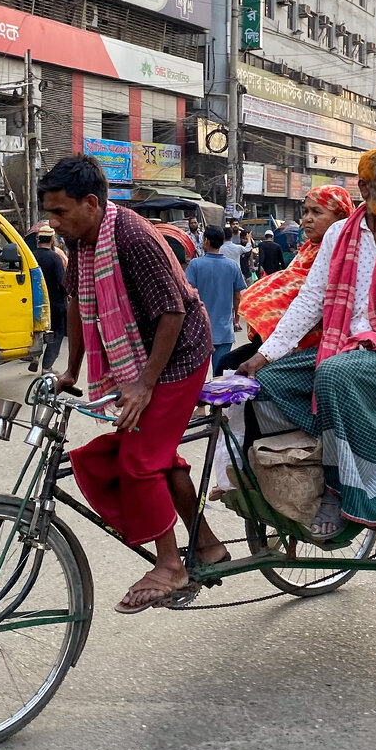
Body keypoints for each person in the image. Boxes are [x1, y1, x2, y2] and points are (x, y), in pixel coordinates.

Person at [39, 154, 226, 612]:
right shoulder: (82, 242)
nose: (52, 222)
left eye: (59, 212)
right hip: (141, 358)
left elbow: (174, 312)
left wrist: (144, 384)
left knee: (140, 461)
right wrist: (71, 370)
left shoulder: (135, 237)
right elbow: (80, 308)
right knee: (150, 454)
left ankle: (170, 567)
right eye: (48, 212)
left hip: (180, 356)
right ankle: (206, 544)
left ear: (90, 202)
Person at [240, 146, 376, 537]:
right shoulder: (340, 234)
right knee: (267, 383)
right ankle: (322, 449)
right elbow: (312, 299)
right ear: (365, 185)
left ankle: (343, 485)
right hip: (344, 348)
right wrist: (265, 354)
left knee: (334, 375)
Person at [219, 185, 355, 373]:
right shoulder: (308, 249)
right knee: (226, 364)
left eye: (317, 212)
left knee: (254, 376)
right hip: (277, 336)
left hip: (311, 343)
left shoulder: (345, 255)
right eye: (306, 211)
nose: (307, 218)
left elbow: (311, 302)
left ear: (341, 218)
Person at [184, 225, 246, 374]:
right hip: (224, 331)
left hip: (199, 331)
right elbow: (238, 297)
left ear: (205, 240)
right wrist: (236, 320)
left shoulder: (195, 265)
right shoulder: (232, 266)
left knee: (198, 376)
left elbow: (187, 294)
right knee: (219, 377)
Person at [29, 225, 67, 374]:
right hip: (55, 303)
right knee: (57, 333)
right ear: (52, 239)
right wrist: (68, 294)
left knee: (38, 331)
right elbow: (61, 281)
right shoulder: (55, 257)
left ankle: (35, 357)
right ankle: (47, 367)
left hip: (35, 302)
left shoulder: (31, 256)